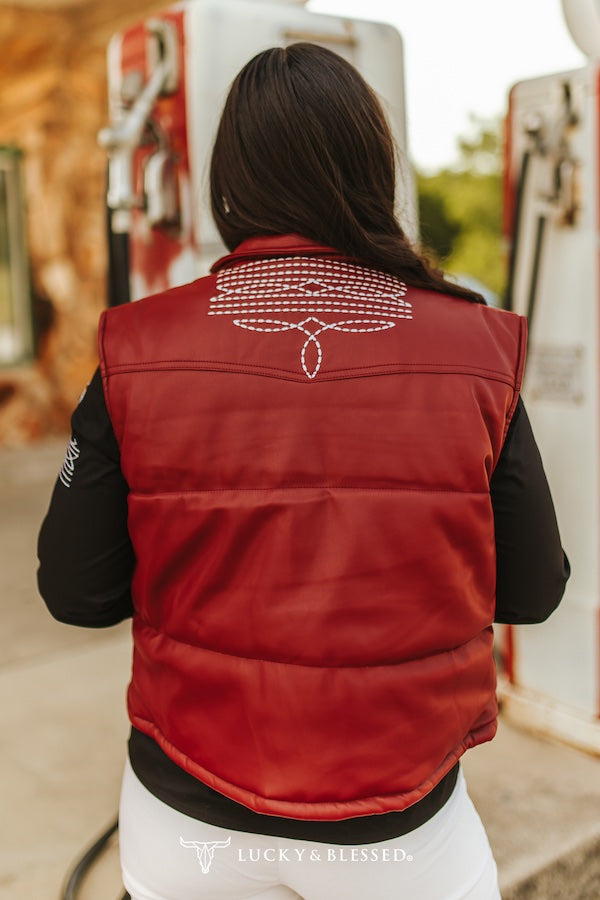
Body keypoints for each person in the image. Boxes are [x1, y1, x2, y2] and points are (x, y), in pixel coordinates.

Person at [38, 43, 569, 900]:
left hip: (188, 821)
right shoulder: (479, 349)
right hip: (401, 830)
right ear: (375, 169)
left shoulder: (134, 351)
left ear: (228, 181)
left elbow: (75, 591)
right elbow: (535, 589)